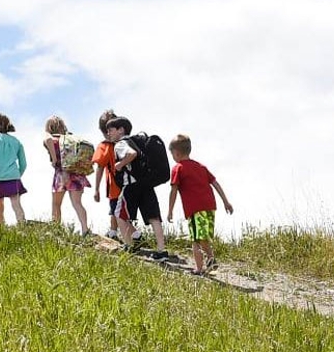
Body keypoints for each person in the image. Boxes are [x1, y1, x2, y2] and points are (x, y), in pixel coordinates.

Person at [102, 116, 177, 259]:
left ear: (121, 130)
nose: (108, 133)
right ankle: (161, 251)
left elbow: (132, 154)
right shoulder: (139, 141)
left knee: (119, 214)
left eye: (111, 130)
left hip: (131, 186)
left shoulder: (120, 144)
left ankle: (129, 247)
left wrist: (120, 164)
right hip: (147, 184)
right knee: (154, 217)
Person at [166, 134, 233, 275]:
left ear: (176, 153)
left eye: (172, 153)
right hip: (210, 206)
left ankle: (211, 258)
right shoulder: (201, 166)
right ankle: (199, 268)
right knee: (196, 238)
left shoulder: (177, 168)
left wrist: (170, 210)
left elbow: (174, 190)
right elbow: (215, 183)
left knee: (199, 237)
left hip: (195, 208)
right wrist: (226, 202)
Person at [43, 116, 93, 236]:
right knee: (77, 203)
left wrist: (54, 160)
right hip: (76, 173)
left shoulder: (52, 138)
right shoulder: (70, 139)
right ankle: (85, 229)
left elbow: (48, 140)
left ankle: (56, 229)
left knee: (56, 204)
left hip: (61, 174)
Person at [92, 110, 121, 238]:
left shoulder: (104, 146)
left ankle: (117, 232)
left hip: (114, 185)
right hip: (130, 184)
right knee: (123, 209)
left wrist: (96, 189)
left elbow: (99, 167)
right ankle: (120, 231)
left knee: (115, 208)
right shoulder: (125, 143)